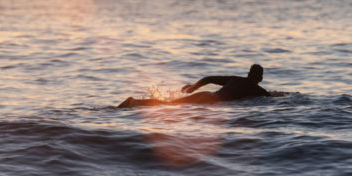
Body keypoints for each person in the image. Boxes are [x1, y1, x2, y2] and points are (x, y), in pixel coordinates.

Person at [117, 64, 279, 108]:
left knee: (170, 104)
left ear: (248, 73)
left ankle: (134, 102)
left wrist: (193, 87)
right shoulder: (256, 88)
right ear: (260, 77)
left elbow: (208, 78)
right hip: (212, 102)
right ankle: (135, 103)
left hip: (208, 95)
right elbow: (270, 98)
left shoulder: (234, 79)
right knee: (170, 107)